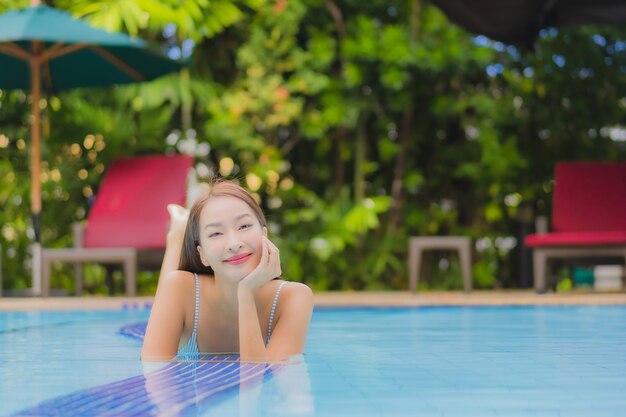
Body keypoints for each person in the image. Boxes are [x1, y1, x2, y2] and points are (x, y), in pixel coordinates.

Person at [141, 180, 314, 362]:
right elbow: (154, 373)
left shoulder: (295, 297)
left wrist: (246, 294)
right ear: (203, 255)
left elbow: (260, 385)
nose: (234, 244)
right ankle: (177, 235)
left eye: (244, 226)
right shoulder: (180, 288)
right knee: (172, 282)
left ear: (264, 235)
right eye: (215, 233)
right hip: (181, 290)